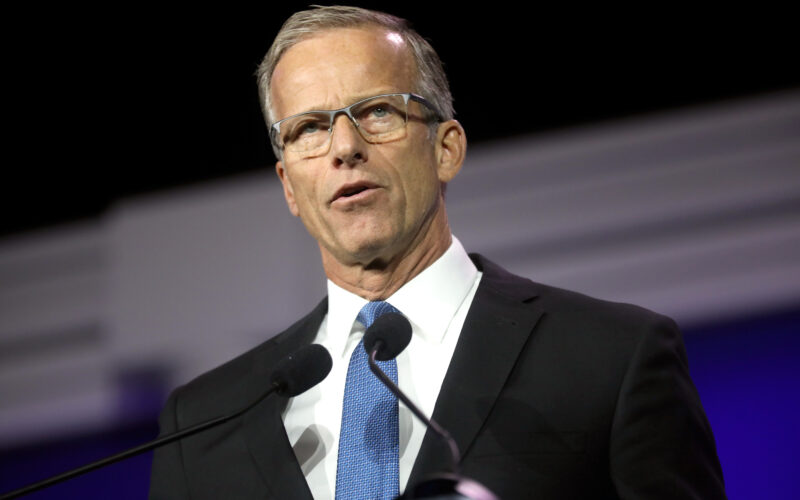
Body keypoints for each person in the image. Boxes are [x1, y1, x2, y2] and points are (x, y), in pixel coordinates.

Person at [149, 6, 726, 499]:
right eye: (309, 129)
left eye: (378, 111)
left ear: (446, 148)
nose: (345, 148)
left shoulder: (612, 358)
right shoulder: (200, 425)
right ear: (288, 187)